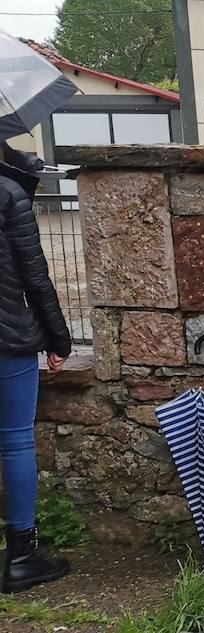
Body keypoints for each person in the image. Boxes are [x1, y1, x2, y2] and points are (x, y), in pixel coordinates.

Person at [0, 141, 71, 594]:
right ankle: (22, 556)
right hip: (7, 339)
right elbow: (34, 274)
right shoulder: (8, 192)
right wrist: (58, 339)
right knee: (14, 441)